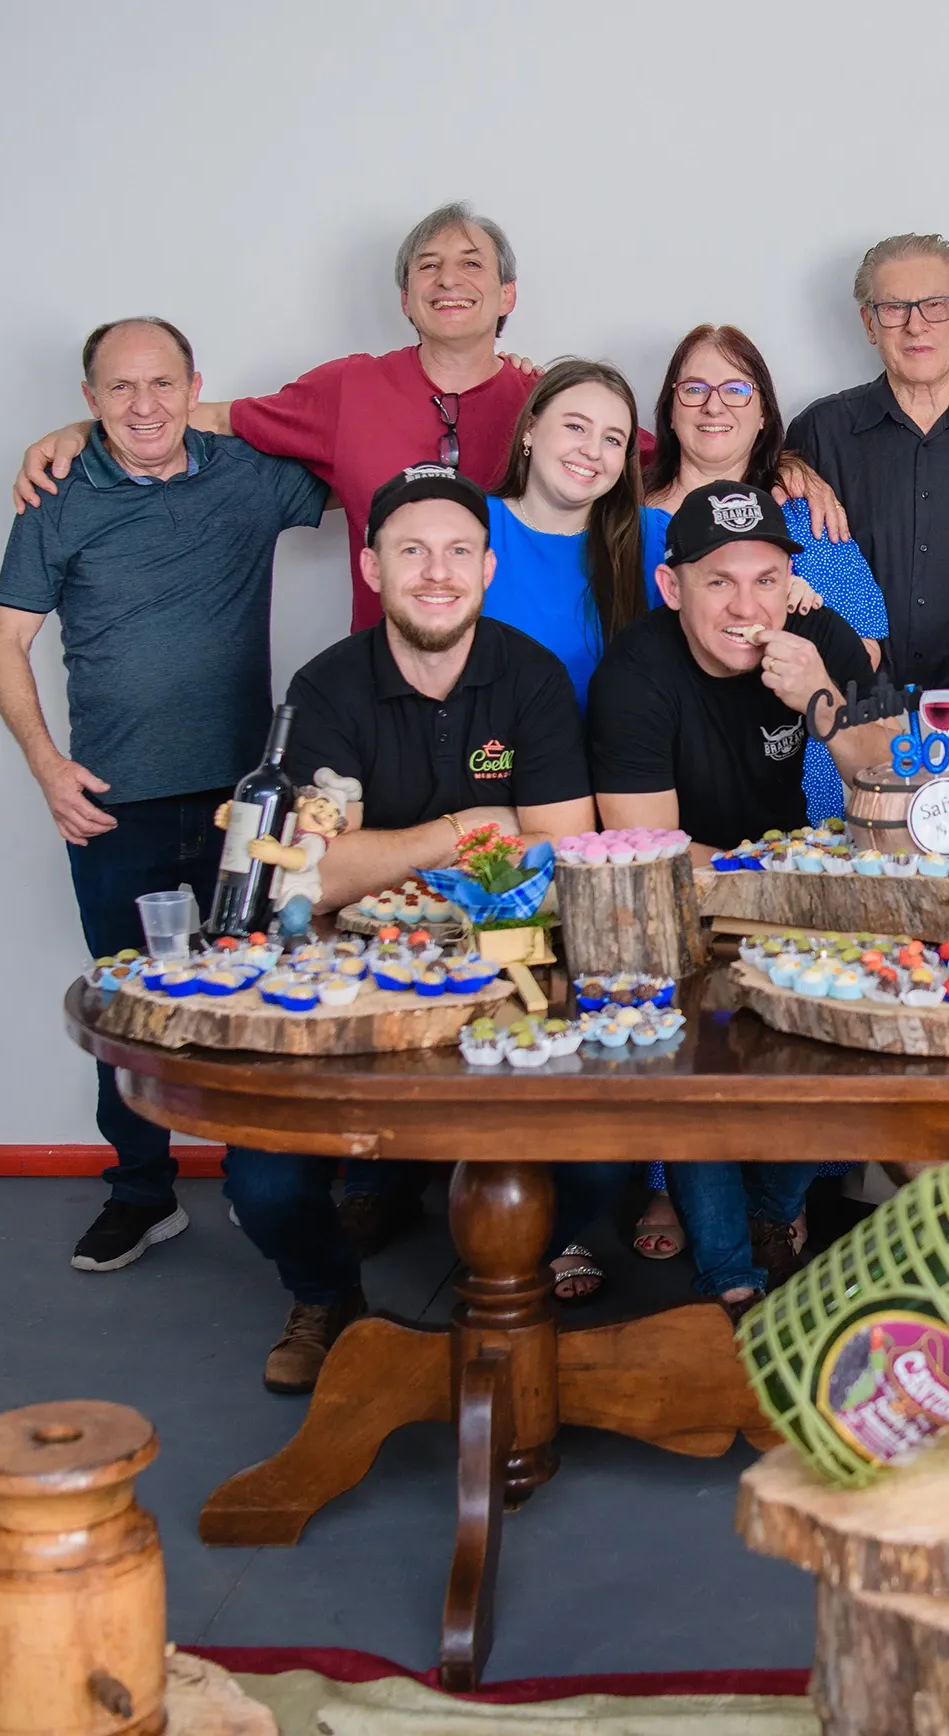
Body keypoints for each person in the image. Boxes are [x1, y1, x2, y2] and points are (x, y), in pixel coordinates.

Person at [224, 466, 616, 1392]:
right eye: (411, 551)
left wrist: (383, 851)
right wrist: (462, 830)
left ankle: (501, 1277)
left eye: (456, 552)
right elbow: (309, 875)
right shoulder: (324, 688)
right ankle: (327, 1295)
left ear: (487, 569)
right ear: (371, 568)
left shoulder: (530, 676)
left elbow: (564, 848)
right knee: (263, 1182)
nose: (435, 572)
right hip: (355, 981)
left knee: (602, 1168)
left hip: (511, 976)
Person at [11, 202, 846, 631]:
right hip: (389, 688)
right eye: (429, 266)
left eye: (472, 263)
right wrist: (86, 431)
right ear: (404, 296)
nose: (451, 278)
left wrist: (784, 463)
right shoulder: (343, 389)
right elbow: (206, 417)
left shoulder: (551, 402)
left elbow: (691, 450)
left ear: (507, 294)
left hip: (543, 695)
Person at [0, 316, 329, 1275]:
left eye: (161, 385)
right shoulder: (56, 495)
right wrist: (47, 768)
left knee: (256, 1001)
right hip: (113, 801)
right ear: (89, 398)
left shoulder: (247, 474)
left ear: (192, 387)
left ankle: (275, 1189)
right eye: (120, 389)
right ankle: (141, 1195)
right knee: (130, 1007)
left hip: (244, 804)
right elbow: (3, 643)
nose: (143, 406)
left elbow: (359, 474)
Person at [588, 482, 892, 1313]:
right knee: (694, 1058)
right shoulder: (635, 670)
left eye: (766, 579)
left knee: (829, 1031)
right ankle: (727, 1278)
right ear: (672, 585)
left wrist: (818, 702)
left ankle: (777, 1212)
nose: (746, 604)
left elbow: (901, 777)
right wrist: (781, 894)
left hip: (780, 895)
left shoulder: (815, 638)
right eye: (720, 580)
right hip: (678, 898)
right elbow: (645, 848)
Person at [785, 233, 949, 768]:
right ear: (868, 322)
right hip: (855, 717)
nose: (916, 324)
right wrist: (780, 464)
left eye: (936, 305)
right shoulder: (819, 432)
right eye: (894, 307)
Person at [648, 323, 886, 825]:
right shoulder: (626, 520)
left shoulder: (807, 517)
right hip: (663, 786)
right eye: (693, 390)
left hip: (805, 788)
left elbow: (864, 656)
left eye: (737, 390)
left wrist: (784, 628)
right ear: (670, 410)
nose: (715, 406)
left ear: (763, 415)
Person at [484, 358, 665, 705]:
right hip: (492, 754)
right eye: (576, 427)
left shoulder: (651, 536)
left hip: (614, 756)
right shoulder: (472, 526)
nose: (592, 451)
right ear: (530, 429)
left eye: (612, 439)